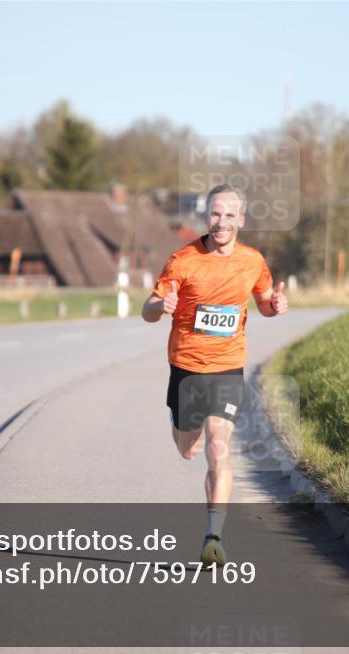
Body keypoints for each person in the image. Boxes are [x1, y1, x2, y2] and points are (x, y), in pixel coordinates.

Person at [142, 183, 288, 566]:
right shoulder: (182, 260)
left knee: (218, 446)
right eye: (215, 214)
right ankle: (177, 419)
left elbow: (264, 303)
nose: (221, 222)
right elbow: (147, 308)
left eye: (229, 215)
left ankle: (214, 538)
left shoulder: (252, 261)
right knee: (187, 448)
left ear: (240, 219)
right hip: (187, 367)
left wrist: (275, 304)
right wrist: (161, 305)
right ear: (207, 217)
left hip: (228, 365)